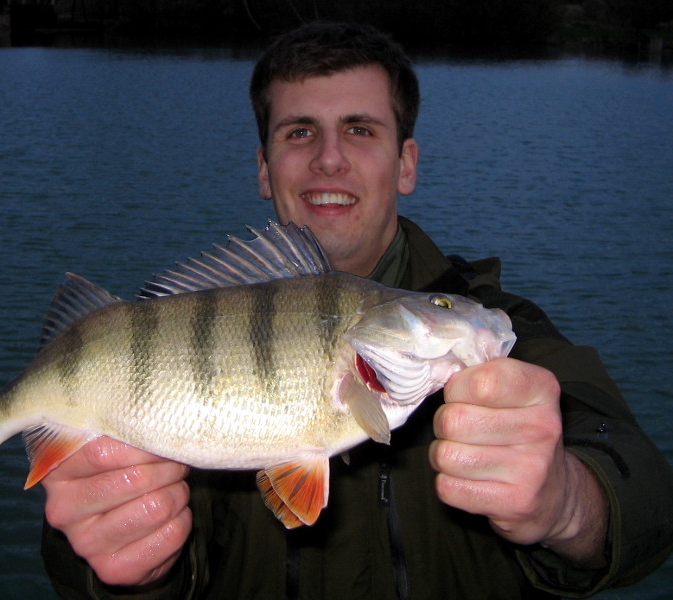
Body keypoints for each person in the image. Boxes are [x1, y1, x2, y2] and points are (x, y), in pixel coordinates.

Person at [40, 22, 673, 599]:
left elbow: (650, 501)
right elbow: (79, 561)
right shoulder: (182, 327)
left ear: (407, 164)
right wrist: (126, 572)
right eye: (299, 132)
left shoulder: (501, 325)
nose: (330, 158)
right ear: (265, 169)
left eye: (361, 129)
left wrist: (566, 504)